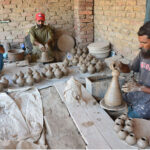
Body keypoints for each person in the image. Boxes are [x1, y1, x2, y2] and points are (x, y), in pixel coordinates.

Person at [111, 21, 150, 119]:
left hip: (147, 101)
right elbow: (130, 68)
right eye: (140, 42)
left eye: (144, 43)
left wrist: (139, 87)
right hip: (139, 92)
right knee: (115, 105)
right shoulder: (144, 53)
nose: (140, 46)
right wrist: (120, 65)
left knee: (128, 118)